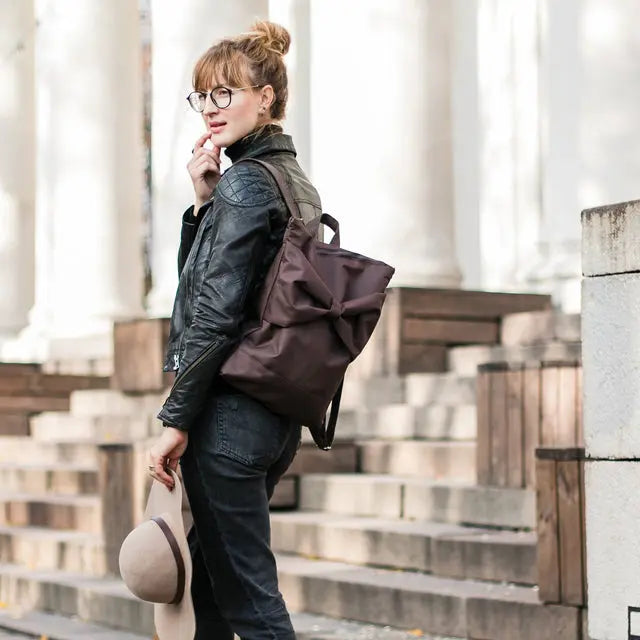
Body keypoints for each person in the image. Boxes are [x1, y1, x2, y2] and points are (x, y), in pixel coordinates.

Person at [146, 20, 322, 640]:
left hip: (228, 420)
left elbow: (213, 312)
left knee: (249, 600)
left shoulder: (249, 183)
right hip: (271, 417)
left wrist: (174, 420)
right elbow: (238, 287)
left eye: (226, 93)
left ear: (266, 97)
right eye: (203, 96)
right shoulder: (290, 180)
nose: (211, 109)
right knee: (214, 594)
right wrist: (202, 205)